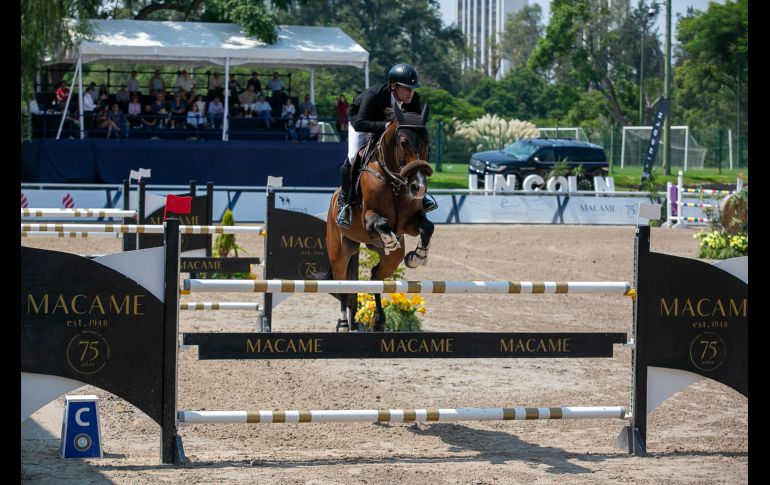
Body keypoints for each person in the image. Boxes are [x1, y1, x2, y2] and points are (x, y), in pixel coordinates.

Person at [335, 63, 436, 228]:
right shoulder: (374, 95)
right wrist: (385, 127)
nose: (411, 92)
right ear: (394, 86)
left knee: (410, 152)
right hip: (363, 124)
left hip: (393, 131)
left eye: (413, 88)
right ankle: (345, 202)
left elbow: (414, 127)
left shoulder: (414, 100)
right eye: (407, 88)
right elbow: (360, 123)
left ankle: (421, 195)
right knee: (353, 157)